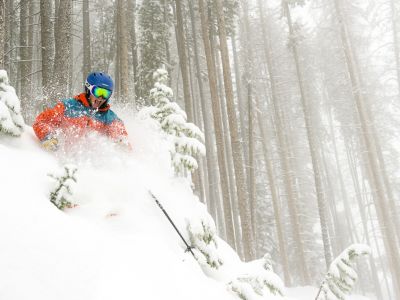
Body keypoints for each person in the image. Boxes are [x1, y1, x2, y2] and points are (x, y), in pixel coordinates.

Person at [33, 72, 130, 151]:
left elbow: (121, 136)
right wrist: (48, 136)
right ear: (88, 89)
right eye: (98, 92)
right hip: (66, 163)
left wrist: (121, 146)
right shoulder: (68, 107)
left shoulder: (109, 117)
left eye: (106, 94)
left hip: (93, 166)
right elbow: (41, 121)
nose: (101, 98)